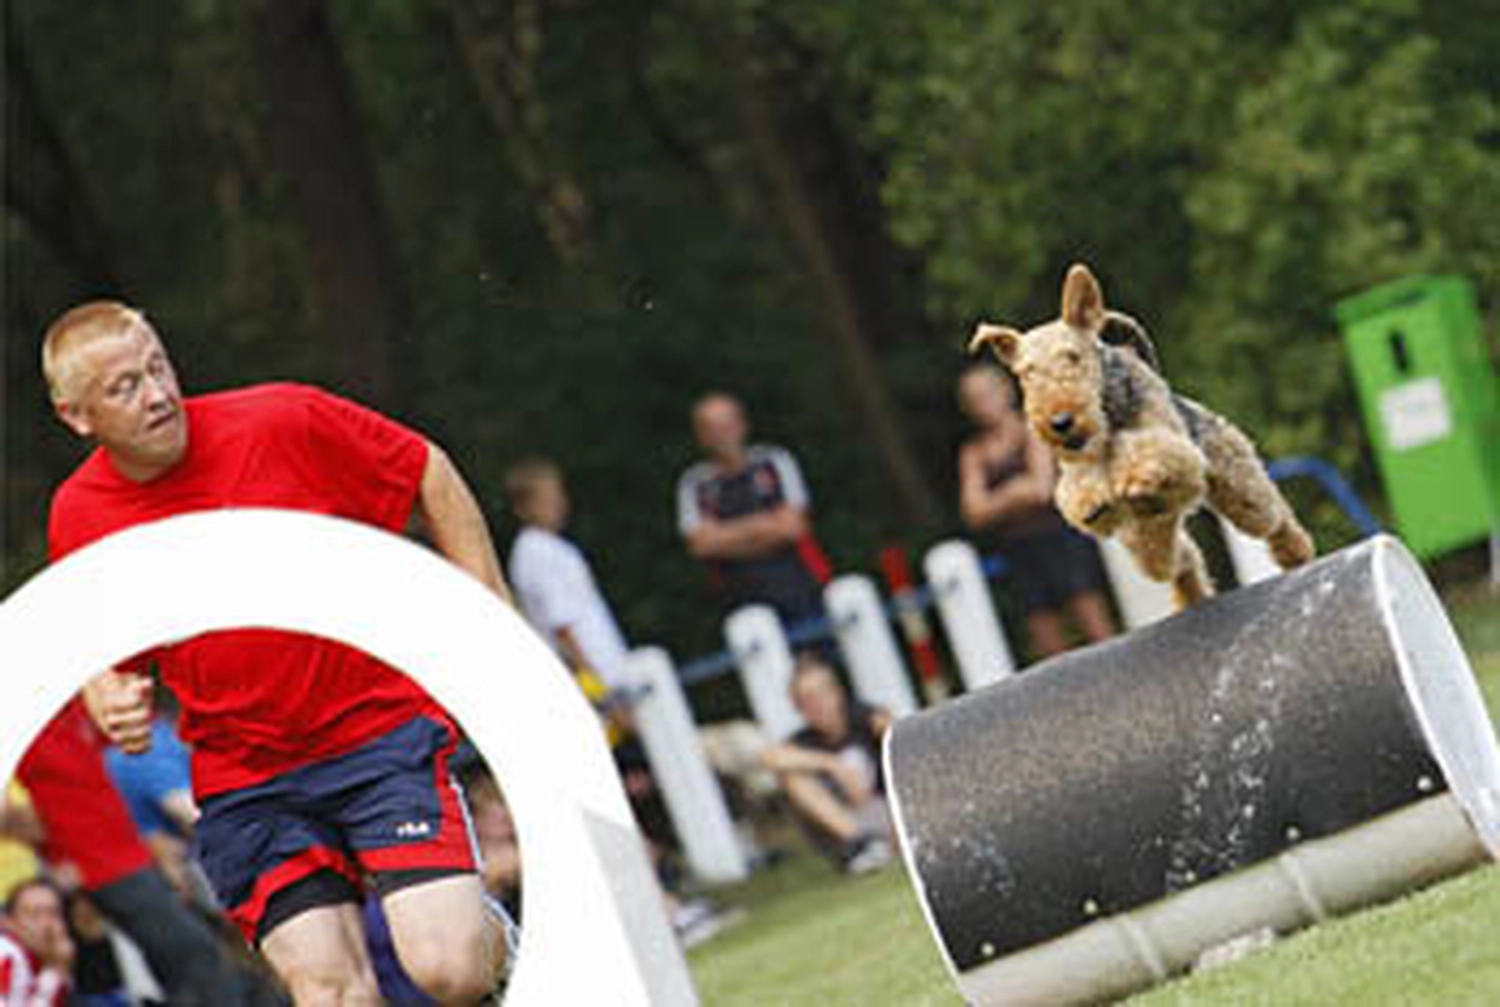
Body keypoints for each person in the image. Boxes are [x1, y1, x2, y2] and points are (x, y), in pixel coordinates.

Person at [41, 300, 514, 1004]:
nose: (158, 394)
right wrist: (103, 690)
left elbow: (427, 472)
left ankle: (496, 939)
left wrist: (491, 617)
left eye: (158, 367)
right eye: (125, 387)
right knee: (328, 990)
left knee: (449, 968)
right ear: (77, 415)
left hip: (376, 731)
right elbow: (100, 654)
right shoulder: (79, 515)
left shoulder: (281, 420)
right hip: (247, 774)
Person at [956, 363, 1115, 659]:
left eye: (988, 393)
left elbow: (1041, 489)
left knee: (1097, 630)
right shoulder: (973, 452)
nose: (984, 404)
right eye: (975, 399)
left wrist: (997, 501)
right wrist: (1015, 492)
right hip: (1018, 553)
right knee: (1050, 648)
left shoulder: (1034, 427)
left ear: (1006, 391)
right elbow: (973, 513)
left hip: (1060, 539)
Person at [676, 392, 833, 627]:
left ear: (742, 424)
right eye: (713, 428)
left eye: (728, 424)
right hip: (741, 608)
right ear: (702, 436)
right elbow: (702, 545)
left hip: (802, 591)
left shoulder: (774, 462)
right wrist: (767, 524)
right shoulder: (694, 485)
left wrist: (726, 535)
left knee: (817, 662)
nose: (723, 434)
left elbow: (793, 528)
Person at [759, 655, 894, 875]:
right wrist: (833, 764)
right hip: (849, 827)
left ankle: (881, 844)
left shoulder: (863, 717)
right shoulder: (803, 741)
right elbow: (770, 757)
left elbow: (897, 729)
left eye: (822, 693)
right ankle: (863, 844)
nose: (818, 704)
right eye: (807, 699)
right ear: (798, 708)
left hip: (890, 812)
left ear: (838, 691)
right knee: (792, 776)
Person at [0, 878, 73, 1005]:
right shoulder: (6, 955)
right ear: (8, 922)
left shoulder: (44, 960)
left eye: (53, 913)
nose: (45, 923)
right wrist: (54, 969)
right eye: (33, 914)